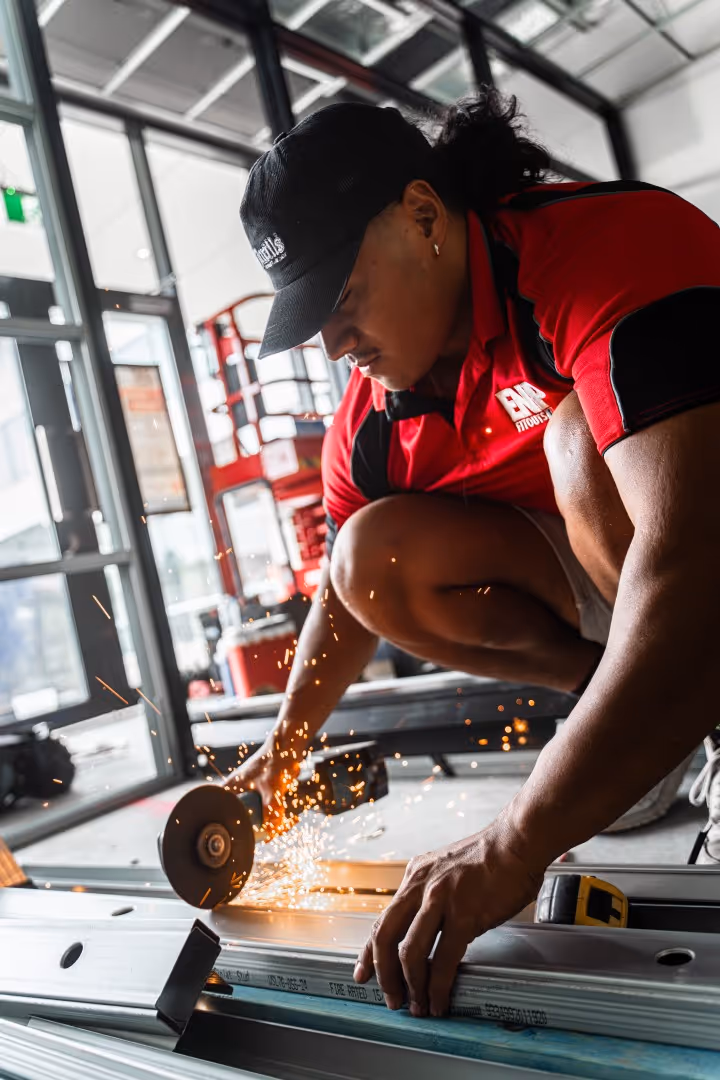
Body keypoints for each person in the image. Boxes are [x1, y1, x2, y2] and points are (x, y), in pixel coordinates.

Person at [234, 90, 720, 1019]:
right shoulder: (371, 422)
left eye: (340, 297)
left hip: (698, 539)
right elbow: (346, 596)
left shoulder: (604, 251)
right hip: (628, 585)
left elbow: (697, 559)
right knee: (370, 554)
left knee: (575, 445)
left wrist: (518, 839)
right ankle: (639, 711)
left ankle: (698, 707)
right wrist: (286, 748)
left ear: (425, 217)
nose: (335, 345)